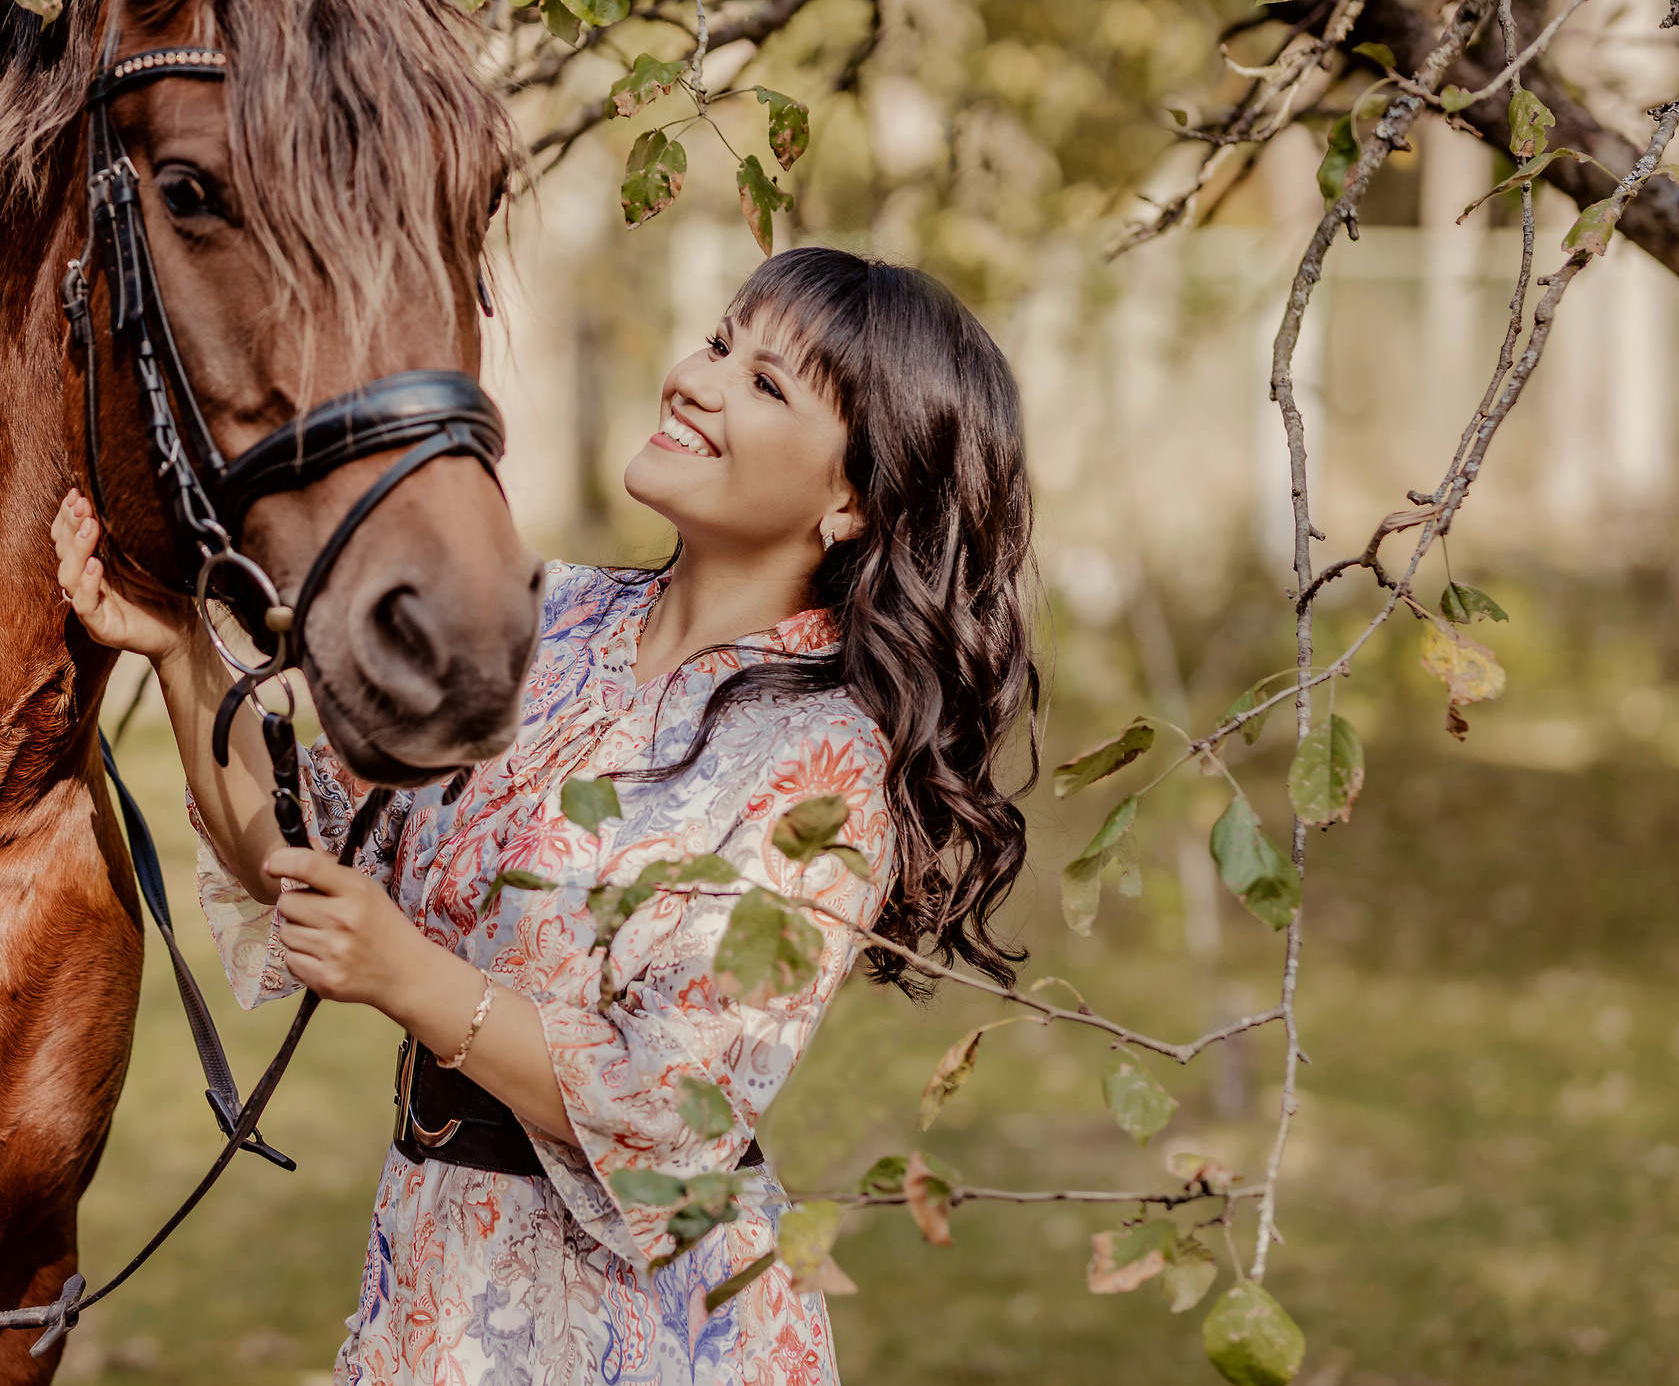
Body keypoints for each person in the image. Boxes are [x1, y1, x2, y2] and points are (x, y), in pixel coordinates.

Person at [53, 246, 1039, 1385]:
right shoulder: (545, 618)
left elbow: (678, 1106)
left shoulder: (825, 762)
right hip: (434, 1281)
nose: (695, 380)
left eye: (765, 383)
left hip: (644, 1334)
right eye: (718, 344)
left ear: (852, 498)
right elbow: (305, 852)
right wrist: (179, 646)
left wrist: (406, 975)